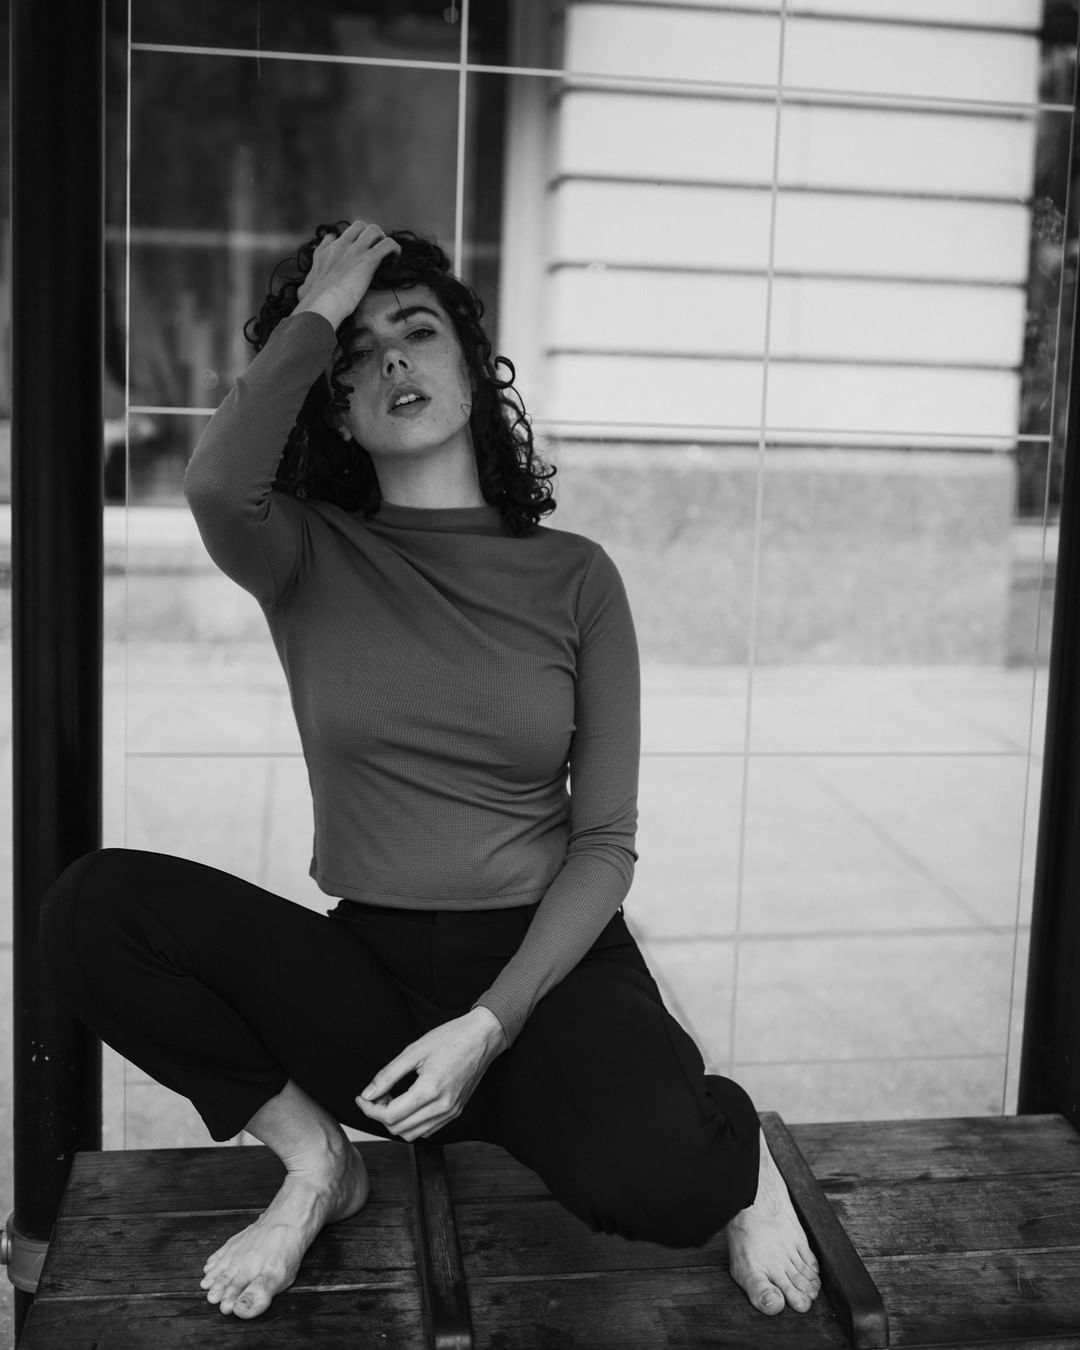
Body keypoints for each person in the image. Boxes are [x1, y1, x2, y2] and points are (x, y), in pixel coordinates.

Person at [40, 220, 821, 1323]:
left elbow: (604, 844)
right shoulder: (302, 552)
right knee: (91, 910)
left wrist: (489, 1024)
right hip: (378, 977)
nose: (392, 361)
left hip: (548, 971)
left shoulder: (577, 578)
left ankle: (740, 1152)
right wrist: (320, 305)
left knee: (667, 1185)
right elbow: (216, 484)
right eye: (357, 354)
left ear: (472, 364)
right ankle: (318, 1163)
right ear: (334, 407)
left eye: (417, 332)